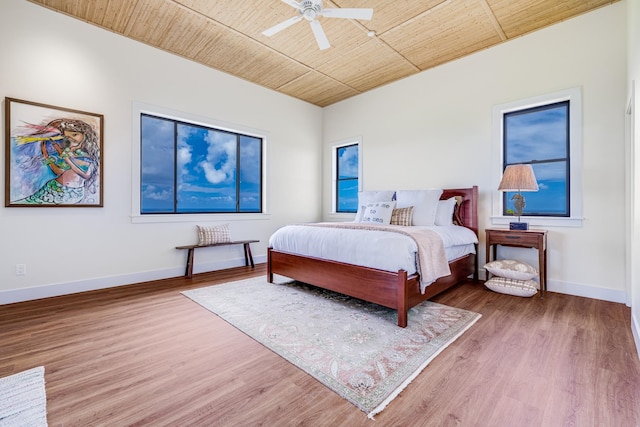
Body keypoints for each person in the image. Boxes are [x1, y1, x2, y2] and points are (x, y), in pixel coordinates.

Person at [14, 118, 100, 205]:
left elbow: (86, 175)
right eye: (67, 137)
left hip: (71, 193)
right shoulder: (69, 152)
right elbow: (59, 171)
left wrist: (68, 161)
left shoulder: (86, 156)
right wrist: (45, 154)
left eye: (75, 134)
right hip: (55, 188)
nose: (71, 139)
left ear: (85, 135)